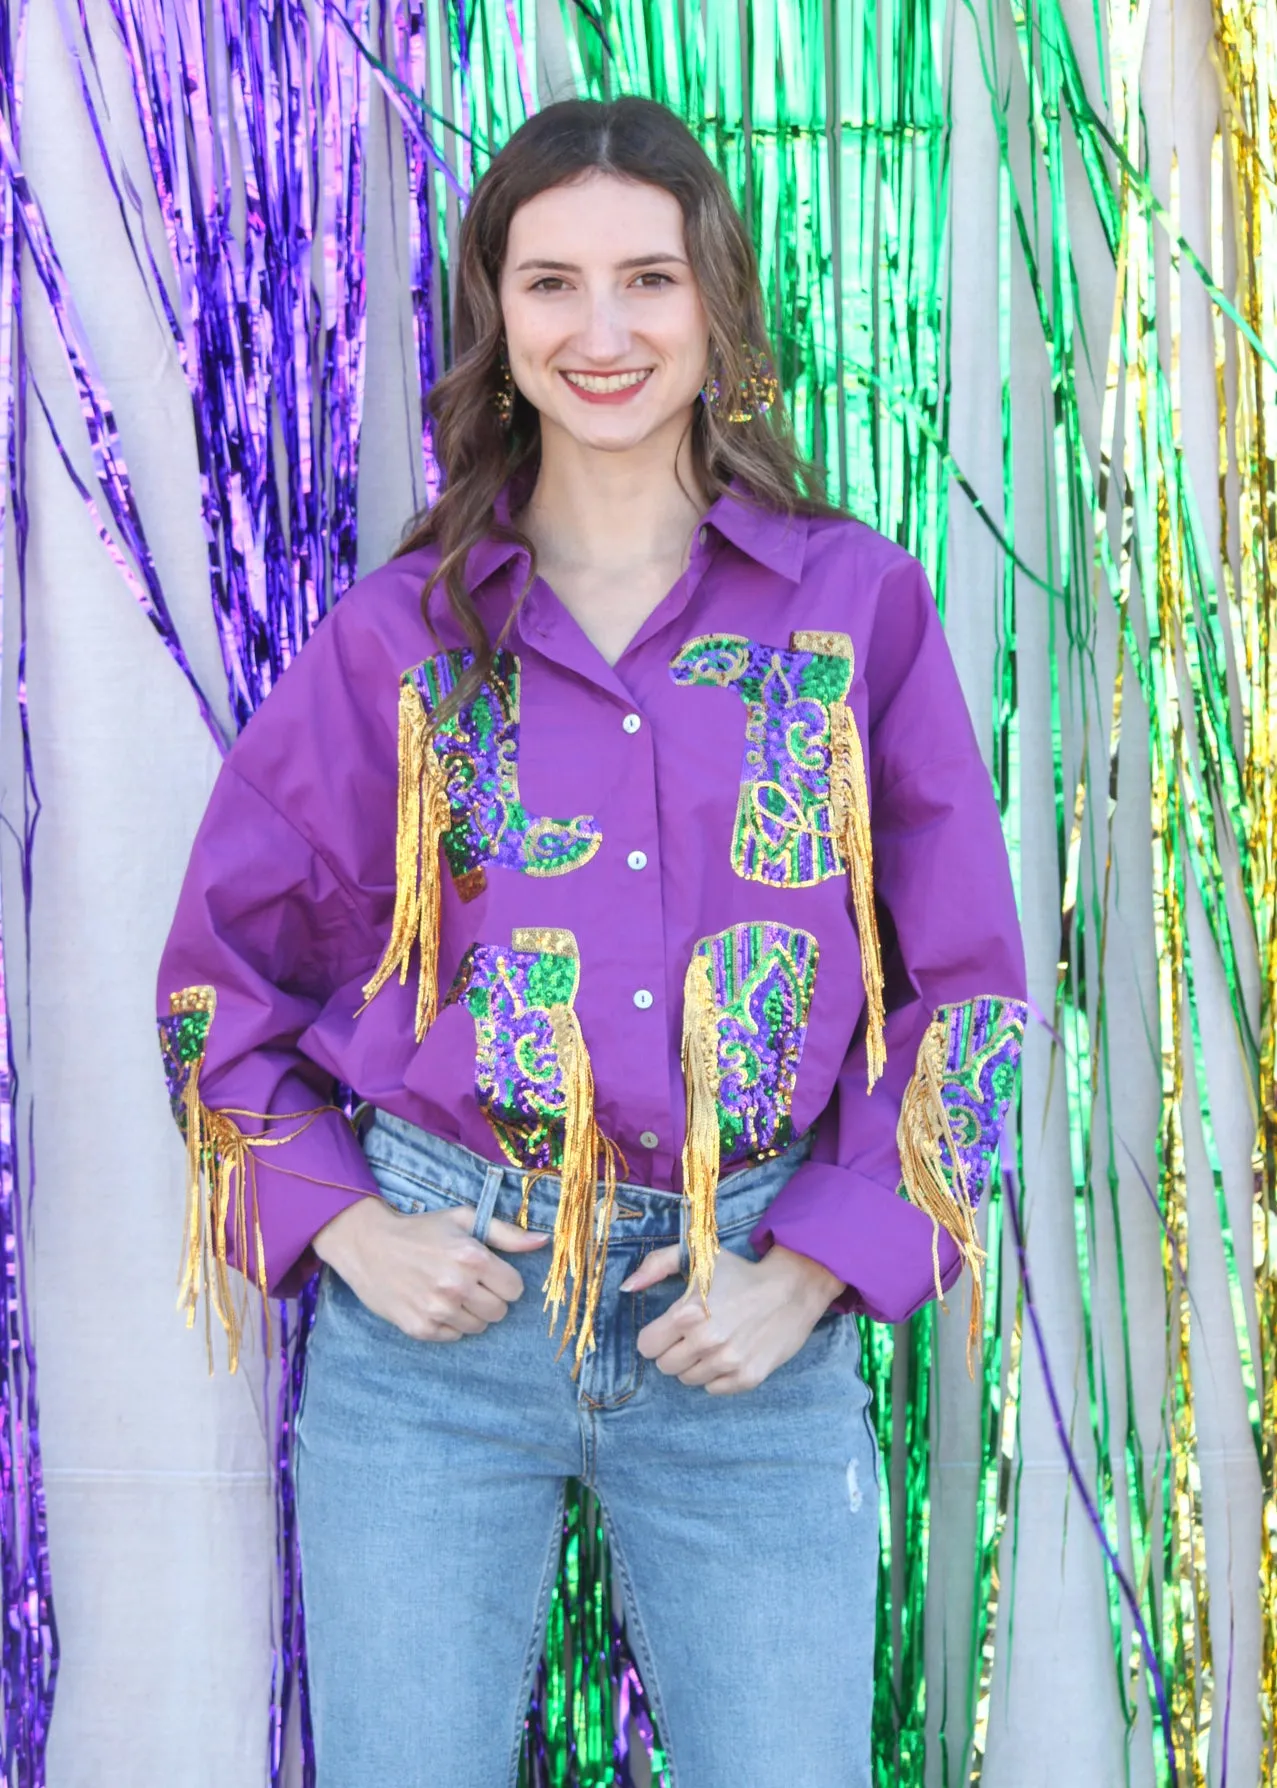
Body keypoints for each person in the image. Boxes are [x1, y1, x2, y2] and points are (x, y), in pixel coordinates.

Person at [156, 94, 1026, 1788]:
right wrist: (341, 1232)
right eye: (552, 284)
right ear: (496, 315)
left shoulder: (856, 607)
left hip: (744, 1318)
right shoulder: (398, 638)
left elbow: (971, 996)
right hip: (440, 1337)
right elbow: (217, 987)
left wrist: (823, 1267)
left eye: (650, 279)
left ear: (718, 307)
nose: (604, 332)